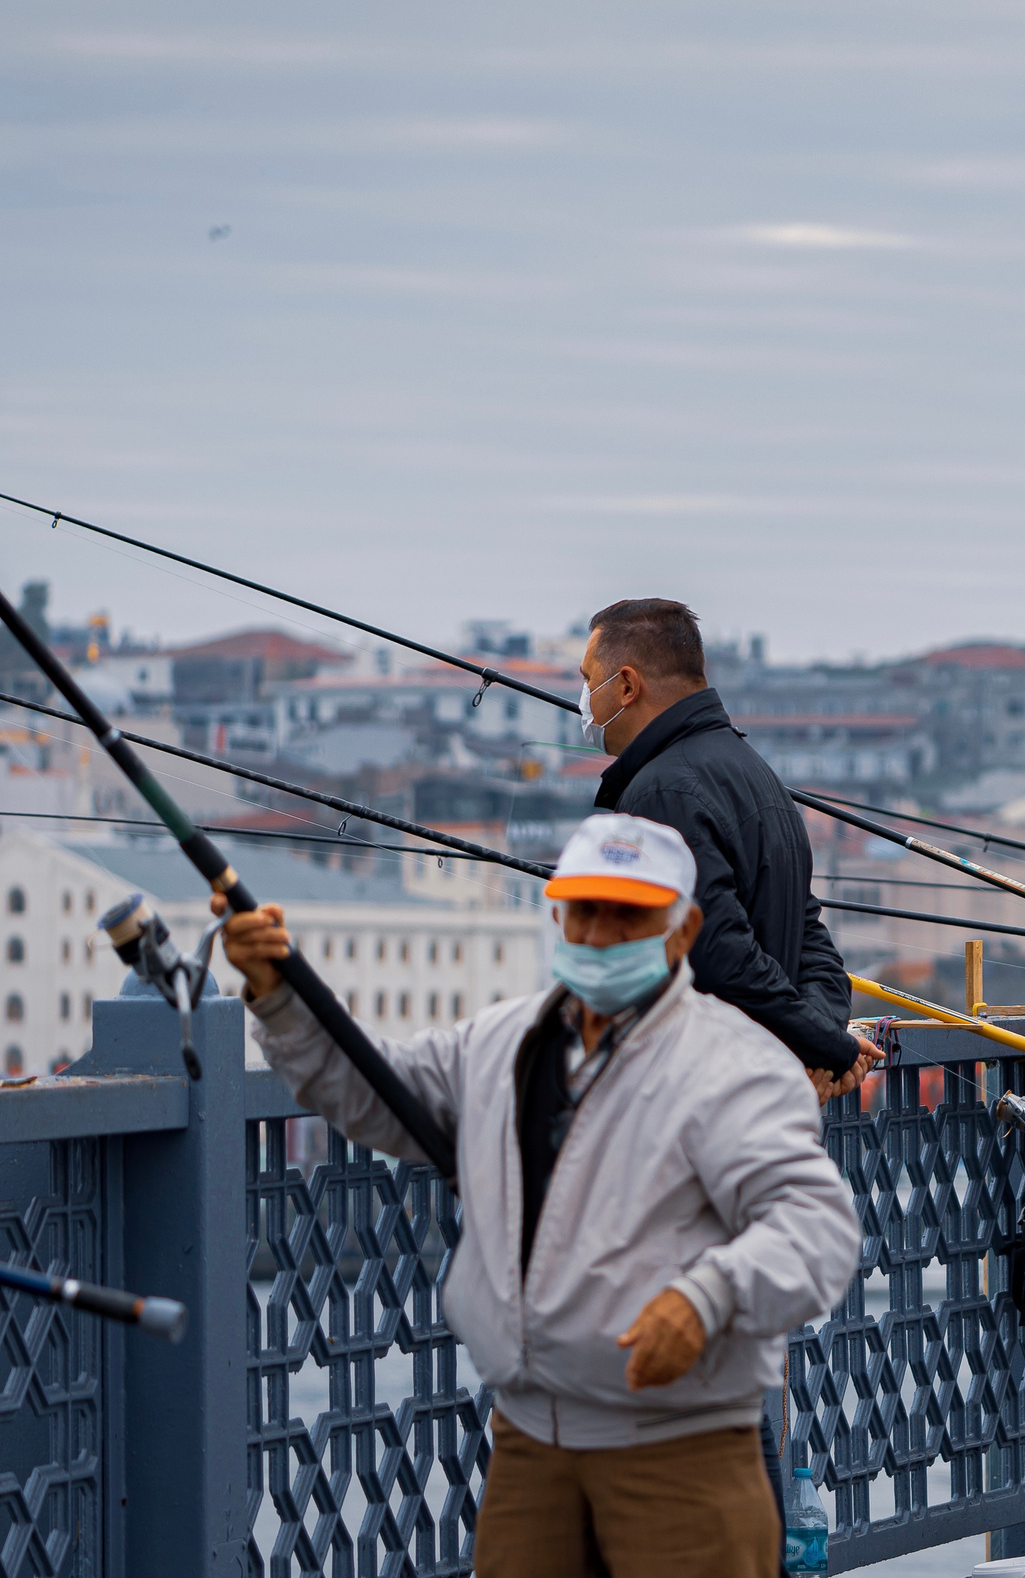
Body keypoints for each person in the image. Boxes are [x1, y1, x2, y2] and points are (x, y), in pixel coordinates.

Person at [222, 813, 863, 1577]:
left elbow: (815, 1226)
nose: (599, 932)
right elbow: (374, 1092)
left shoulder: (736, 1066)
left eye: (629, 913)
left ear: (683, 929)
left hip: (682, 1446)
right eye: (584, 909)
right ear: (558, 913)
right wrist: (277, 996)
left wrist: (708, 1298)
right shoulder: (502, 1042)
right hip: (532, 1438)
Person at [583, 598, 866, 1097]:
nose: (585, 699)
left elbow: (715, 952)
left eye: (589, 680)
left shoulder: (660, 792)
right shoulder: (758, 773)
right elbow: (809, 939)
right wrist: (817, 1045)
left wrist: (823, 1046)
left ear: (626, 686)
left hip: (698, 1101)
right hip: (761, 1096)